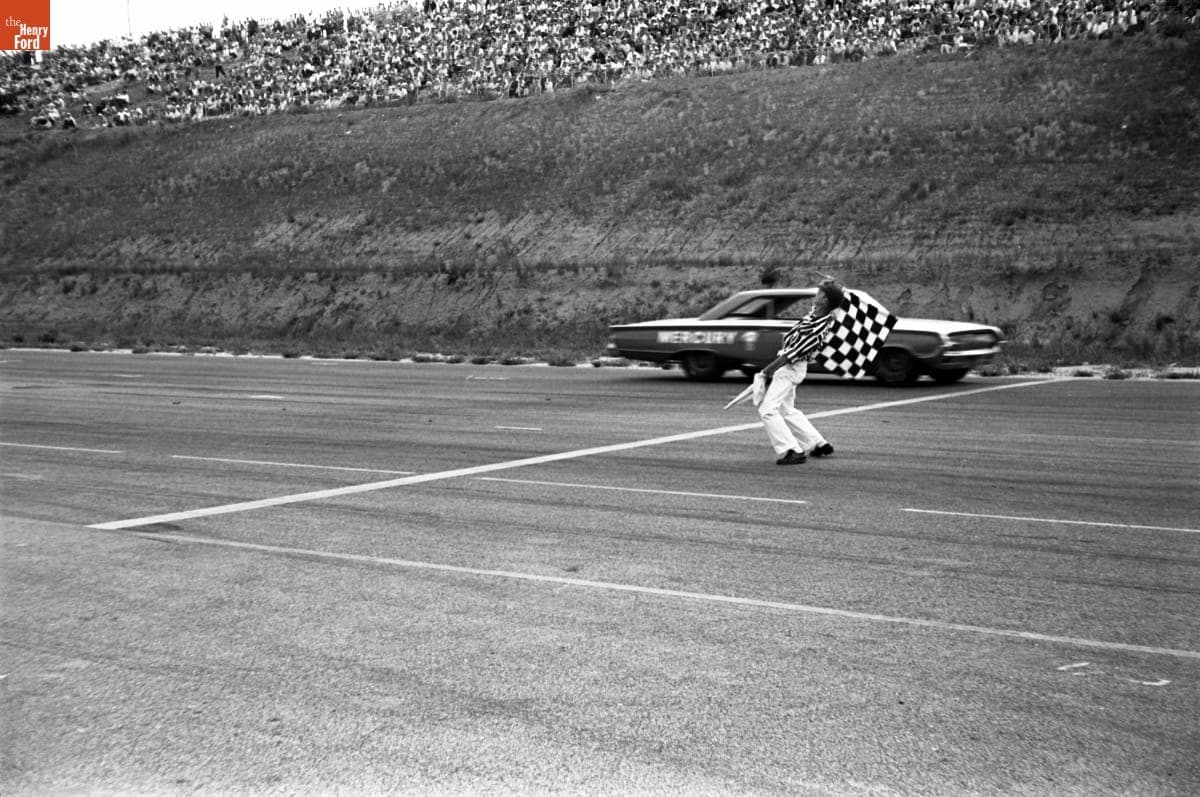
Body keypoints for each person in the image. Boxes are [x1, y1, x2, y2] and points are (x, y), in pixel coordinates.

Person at [757, 278, 844, 465]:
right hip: (791, 368)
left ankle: (792, 450)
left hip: (790, 368)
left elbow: (792, 354)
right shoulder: (817, 315)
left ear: (825, 301)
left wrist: (767, 371)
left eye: (820, 293)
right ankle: (818, 443)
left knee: (767, 410)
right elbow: (815, 311)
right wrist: (827, 284)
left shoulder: (818, 329)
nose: (816, 294)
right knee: (786, 409)